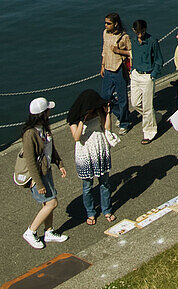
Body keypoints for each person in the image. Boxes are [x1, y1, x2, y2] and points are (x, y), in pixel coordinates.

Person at [16, 97, 68, 249]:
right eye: (48, 110)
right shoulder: (30, 134)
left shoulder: (44, 127)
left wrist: (59, 163)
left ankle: (49, 231)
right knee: (52, 203)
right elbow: (31, 161)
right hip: (37, 175)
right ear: (43, 113)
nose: (50, 112)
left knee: (48, 203)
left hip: (46, 170)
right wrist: (38, 184)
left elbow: (51, 148)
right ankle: (31, 231)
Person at [67, 90, 115, 225]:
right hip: (85, 152)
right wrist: (83, 120)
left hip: (99, 147)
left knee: (105, 182)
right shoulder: (74, 119)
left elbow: (107, 128)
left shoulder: (99, 111)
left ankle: (107, 209)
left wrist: (107, 113)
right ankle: (90, 212)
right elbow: (76, 137)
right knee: (87, 186)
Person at [129, 19, 164, 145]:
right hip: (136, 74)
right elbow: (133, 56)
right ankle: (156, 117)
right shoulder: (132, 41)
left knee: (148, 106)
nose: (140, 35)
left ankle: (149, 132)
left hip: (148, 76)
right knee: (135, 102)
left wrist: (153, 75)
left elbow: (159, 59)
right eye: (138, 32)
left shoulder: (152, 41)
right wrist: (132, 70)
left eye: (142, 32)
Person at [100, 13, 132, 132]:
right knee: (105, 97)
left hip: (119, 69)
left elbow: (131, 52)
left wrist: (118, 50)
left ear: (116, 24)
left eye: (109, 23)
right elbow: (104, 50)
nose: (106, 25)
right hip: (108, 68)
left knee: (122, 98)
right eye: (105, 23)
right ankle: (121, 113)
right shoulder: (105, 33)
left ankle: (124, 122)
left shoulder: (124, 37)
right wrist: (102, 65)